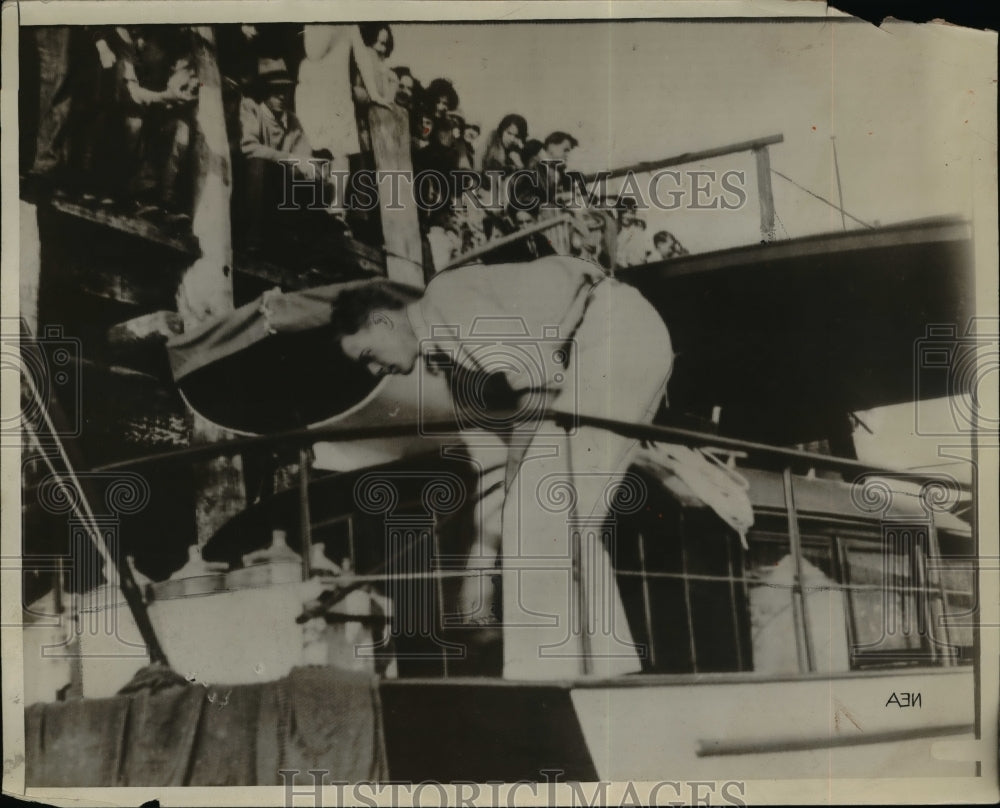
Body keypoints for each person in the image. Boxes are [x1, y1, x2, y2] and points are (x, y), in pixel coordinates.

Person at [330, 256, 673, 680]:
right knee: (558, 514)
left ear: (383, 322)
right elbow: (492, 467)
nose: (374, 369)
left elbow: (539, 383)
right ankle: (598, 671)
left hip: (614, 333)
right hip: (599, 345)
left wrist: (516, 486)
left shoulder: (448, 299)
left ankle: (551, 676)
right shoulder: (448, 363)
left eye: (368, 354)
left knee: (544, 506)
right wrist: (480, 564)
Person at [295, 24, 391, 212]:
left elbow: (361, 56)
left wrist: (374, 94)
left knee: (341, 153)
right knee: (313, 146)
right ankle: (312, 210)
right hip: (313, 89)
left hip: (339, 92)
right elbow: (313, 52)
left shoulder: (350, 22)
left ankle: (336, 210)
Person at [238, 57, 328, 247]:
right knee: (257, 165)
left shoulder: (293, 122)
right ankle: (251, 239)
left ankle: (303, 248)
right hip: (252, 186)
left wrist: (311, 169)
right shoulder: (250, 108)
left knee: (315, 179)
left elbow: (304, 158)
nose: (281, 96)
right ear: (264, 91)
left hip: (281, 189)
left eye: (284, 90)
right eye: (275, 91)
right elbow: (249, 147)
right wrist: (289, 159)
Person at [615, 197, 650, 268]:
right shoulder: (613, 228)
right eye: (625, 212)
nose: (628, 216)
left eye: (631, 213)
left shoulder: (638, 230)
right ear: (619, 212)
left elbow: (642, 255)